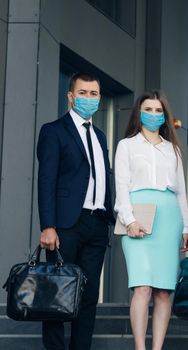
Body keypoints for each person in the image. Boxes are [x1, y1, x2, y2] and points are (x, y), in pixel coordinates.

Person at [37, 72, 115, 350]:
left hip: (96, 224)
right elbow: (46, 180)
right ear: (71, 96)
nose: (89, 98)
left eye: (94, 94)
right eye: (83, 93)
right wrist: (48, 225)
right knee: (57, 293)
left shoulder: (100, 135)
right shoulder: (53, 131)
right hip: (66, 225)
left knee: (89, 295)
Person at [114, 90, 188, 350]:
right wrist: (129, 220)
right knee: (142, 287)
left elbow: (181, 191)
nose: (154, 114)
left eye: (159, 111)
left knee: (163, 290)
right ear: (139, 112)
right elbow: (121, 186)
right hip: (137, 215)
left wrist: (186, 227)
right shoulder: (126, 145)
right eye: (148, 109)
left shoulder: (173, 149)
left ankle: (157, 347)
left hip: (169, 220)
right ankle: (140, 347)